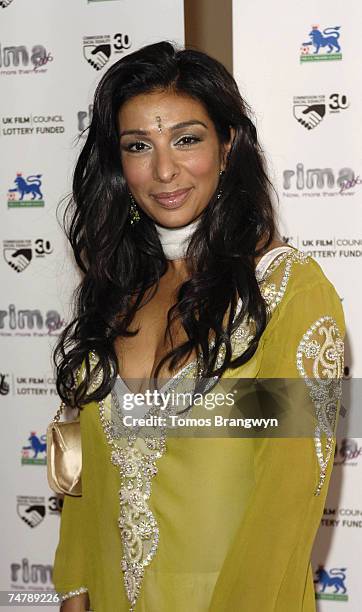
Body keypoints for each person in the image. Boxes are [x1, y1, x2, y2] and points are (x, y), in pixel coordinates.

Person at [52, 41, 345, 612]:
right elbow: (87, 481)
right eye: (140, 146)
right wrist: (75, 590)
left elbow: (286, 503)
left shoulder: (288, 292)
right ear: (119, 164)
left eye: (186, 139)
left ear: (228, 145)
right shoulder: (114, 291)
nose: (164, 169)